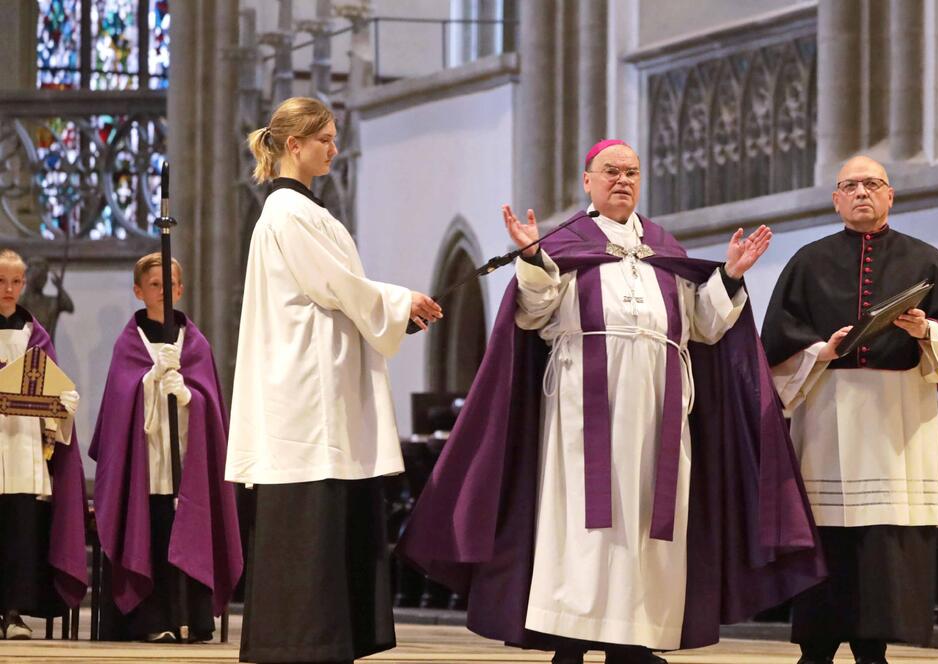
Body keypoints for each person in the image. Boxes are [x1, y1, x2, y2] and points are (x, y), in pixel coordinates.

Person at [398, 140, 825, 664]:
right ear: (588, 181)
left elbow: (707, 328)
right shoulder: (565, 243)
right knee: (583, 520)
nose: (622, 179)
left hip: (662, 403)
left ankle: (636, 638)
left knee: (654, 519)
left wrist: (730, 277)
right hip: (583, 404)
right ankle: (572, 639)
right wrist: (532, 258)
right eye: (610, 171)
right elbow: (533, 314)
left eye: (631, 172)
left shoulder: (665, 249)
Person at [228, 96, 443, 664]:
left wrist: (397, 313)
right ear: (293, 144)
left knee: (334, 520)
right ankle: (303, 644)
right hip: (307, 398)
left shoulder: (305, 212)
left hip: (322, 388)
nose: (334, 148)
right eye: (325, 138)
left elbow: (342, 291)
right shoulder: (287, 214)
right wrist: (402, 303)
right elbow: (337, 287)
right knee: (309, 529)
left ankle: (330, 640)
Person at [760, 155, 938, 664]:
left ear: (890, 196)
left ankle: (872, 649)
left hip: (896, 414)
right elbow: (775, 343)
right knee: (828, 535)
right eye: (851, 185)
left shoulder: (925, 259)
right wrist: (823, 350)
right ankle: (815, 649)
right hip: (827, 411)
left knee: (883, 540)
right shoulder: (807, 261)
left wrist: (925, 330)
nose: (862, 192)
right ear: (836, 198)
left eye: (873, 184)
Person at [89, 252, 242, 643]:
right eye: (155, 285)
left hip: (183, 463)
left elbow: (212, 408)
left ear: (181, 288)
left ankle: (189, 618)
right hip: (144, 464)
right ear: (139, 291)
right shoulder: (129, 344)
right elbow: (117, 404)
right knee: (150, 531)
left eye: (171, 284)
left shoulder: (195, 343)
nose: (164, 291)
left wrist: (190, 398)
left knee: (183, 531)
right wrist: (148, 381)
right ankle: (149, 619)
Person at [0, 249, 87, 640]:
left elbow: (51, 384)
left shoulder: (36, 334)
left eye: (15, 281)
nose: (9, 288)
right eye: (1, 281)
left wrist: (62, 405)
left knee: (21, 528)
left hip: (23, 447)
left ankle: (13, 612)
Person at [17, 256, 74, 342]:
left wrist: (59, 288)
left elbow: (69, 307)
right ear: (27, 275)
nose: (42, 280)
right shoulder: (18, 302)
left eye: (44, 277)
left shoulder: (51, 302)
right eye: (38, 276)